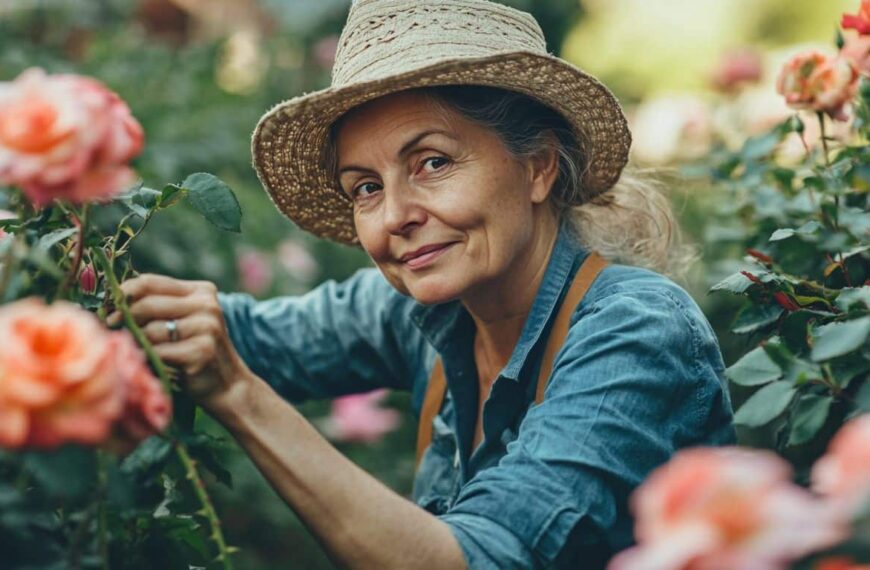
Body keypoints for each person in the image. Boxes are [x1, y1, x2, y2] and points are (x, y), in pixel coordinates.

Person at [107, 0, 736, 567]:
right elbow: (239, 336)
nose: (394, 216)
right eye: (366, 187)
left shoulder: (638, 332)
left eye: (432, 163)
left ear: (538, 167)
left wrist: (238, 396)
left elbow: (477, 559)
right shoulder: (425, 308)